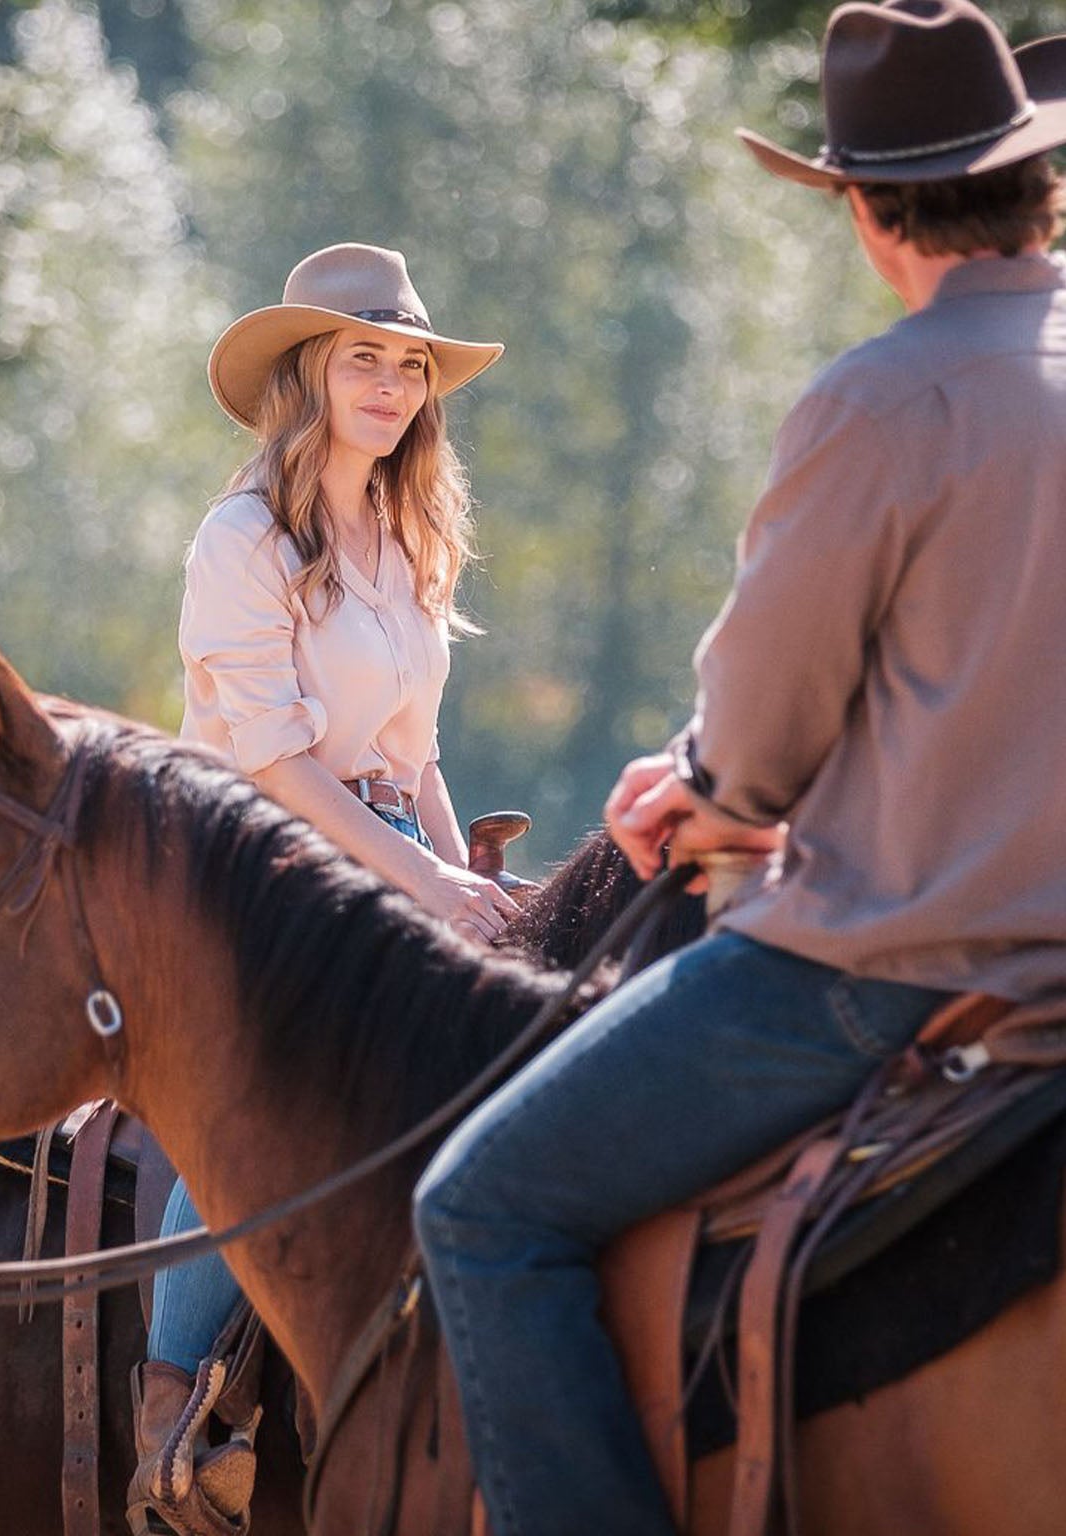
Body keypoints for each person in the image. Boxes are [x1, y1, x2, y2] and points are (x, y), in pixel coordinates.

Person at [412, 3, 1066, 1532]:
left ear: (865, 207)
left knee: (483, 1206)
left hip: (891, 960)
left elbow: (762, 749)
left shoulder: (882, 399)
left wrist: (704, 785)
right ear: (1034, 181)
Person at [131, 242, 521, 1536]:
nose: (394, 383)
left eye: (411, 363)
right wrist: (422, 883)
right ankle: (176, 1397)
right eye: (365, 357)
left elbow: (416, 757)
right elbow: (278, 762)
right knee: (265, 1091)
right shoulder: (240, 539)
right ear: (308, 373)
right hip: (256, 865)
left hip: (385, 849)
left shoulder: (411, 539)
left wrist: (470, 888)